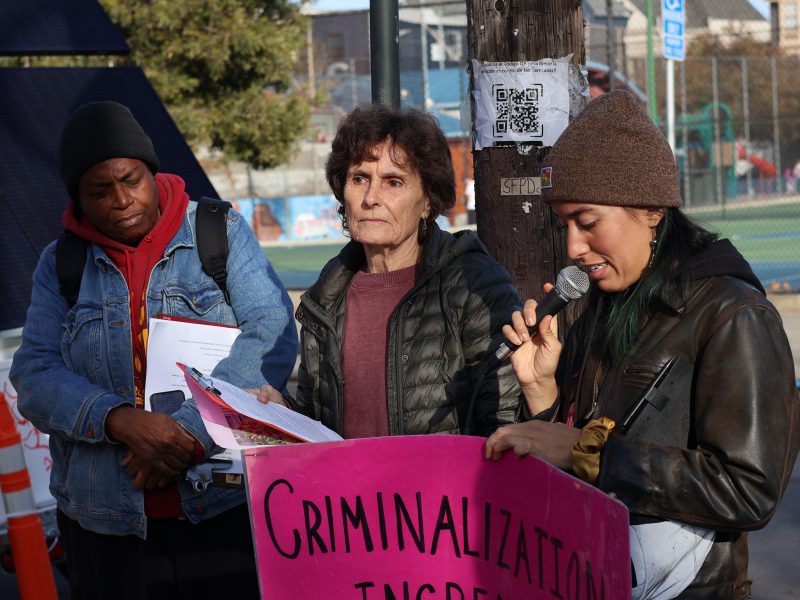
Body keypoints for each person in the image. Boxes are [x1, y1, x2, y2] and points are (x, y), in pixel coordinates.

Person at [484, 91, 799, 599]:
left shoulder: (732, 315)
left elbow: (749, 490)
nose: (573, 248)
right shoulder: (602, 310)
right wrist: (543, 391)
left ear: (650, 209)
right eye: (563, 225)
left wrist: (592, 454)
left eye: (587, 223)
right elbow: (574, 459)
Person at [10, 101, 298, 599]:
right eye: (100, 190)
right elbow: (34, 372)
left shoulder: (217, 232)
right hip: (103, 521)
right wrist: (117, 419)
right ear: (77, 199)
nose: (122, 199)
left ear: (151, 171)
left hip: (223, 509)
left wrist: (189, 431)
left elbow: (270, 330)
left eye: (131, 179)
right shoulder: (61, 264)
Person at [260, 104, 522, 437]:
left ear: (427, 200)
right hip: (350, 489)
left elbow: (506, 422)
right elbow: (322, 429)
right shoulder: (324, 299)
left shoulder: (472, 284)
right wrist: (285, 418)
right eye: (359, 179)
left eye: (393, 182)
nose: (371, 198)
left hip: (445, 488)